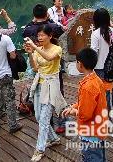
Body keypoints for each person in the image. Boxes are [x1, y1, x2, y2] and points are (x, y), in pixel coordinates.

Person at [25, 25, 66, 162]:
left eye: (42, 35)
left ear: (50, 36)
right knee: (38, 116)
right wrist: (31, 52)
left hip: (51, 85)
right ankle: (53, 138)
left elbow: (49, 58)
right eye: (38, 36)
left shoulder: (57, 49)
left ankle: (39, 149)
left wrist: (34, 47)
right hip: (39, 85)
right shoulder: (38, 50)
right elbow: (35, 68)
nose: (39, 38)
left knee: (44, 119)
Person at [62, 48, 107, 162]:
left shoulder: (88, 87)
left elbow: (85, 114)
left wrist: (74, 111)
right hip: (99, 128)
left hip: (90, 132)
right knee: (99, 157)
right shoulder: (96, 80)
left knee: (91, 157)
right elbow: (89, 103)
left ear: (80, 64)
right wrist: (74, 106)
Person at [90, 8, 113, 110]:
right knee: (111, 93)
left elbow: (94, 53)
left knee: (104, 96)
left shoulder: (96, 34)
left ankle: (107, 120)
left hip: (100, 68)